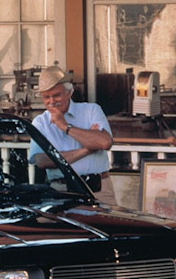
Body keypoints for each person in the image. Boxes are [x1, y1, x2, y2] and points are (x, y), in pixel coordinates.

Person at [27, 65, 116, 205]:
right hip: (61, 192)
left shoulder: (91, 110)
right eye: (46, 97)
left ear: (69, 92)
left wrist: (65, 126)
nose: (52, 101)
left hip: (98, 190)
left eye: (56, 95)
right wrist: (86, 149)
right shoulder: (40, 122)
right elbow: (42, 161)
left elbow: (105, 143)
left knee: (107, 220)